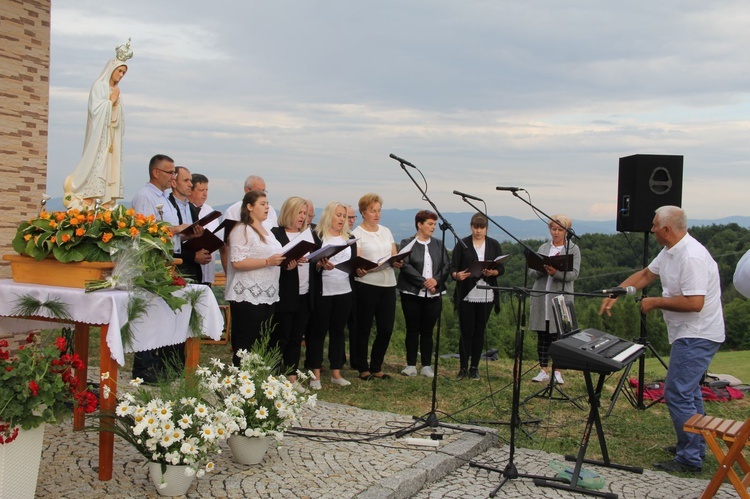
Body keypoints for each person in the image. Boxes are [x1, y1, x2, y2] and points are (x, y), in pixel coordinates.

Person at [600, 206, 725, 474]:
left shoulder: (691, 256)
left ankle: (689, 458)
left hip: (698, 334)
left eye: (655, 225)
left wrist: (654, 302)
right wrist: (618, 291)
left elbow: (695, 303)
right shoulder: (670, 251)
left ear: (667, 229)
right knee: (689, 391)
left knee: (677, 392)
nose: (652, 228)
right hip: (688, 333)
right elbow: (646, 275)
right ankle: (695, 444)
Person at [130, 154, 195, 382]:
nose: (173, 177)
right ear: (156, 172)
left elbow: (166, 229)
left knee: (160, 315)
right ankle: (144, 368)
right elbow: (144, 231)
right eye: (170, 172)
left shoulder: (166, 199)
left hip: (167, 260)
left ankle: (157, 365)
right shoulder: (145, 196)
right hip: (150, 262)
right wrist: (176, 230)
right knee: (148, 315)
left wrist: (183, 233)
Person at [63, 39, 132, 210]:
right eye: (119, 71)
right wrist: (110, 103)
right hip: (99, 138)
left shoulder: (116, 90)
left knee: (110, 166)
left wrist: (115, 105)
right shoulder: (99, 86)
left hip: (111, 139)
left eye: (124, 72)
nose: (121, 75)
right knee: (97, 164)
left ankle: (106, 200)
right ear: (112, 69)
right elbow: (95, 110)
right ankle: (89, 197)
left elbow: (117, 119)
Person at [224, 190, 287, 367]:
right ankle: (240, 376)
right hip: (248, 293)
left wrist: (287, 260)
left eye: (267, 203)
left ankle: (257, 376)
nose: (267, 207)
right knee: (246, 340)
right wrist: (267, 261)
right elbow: (237, 262)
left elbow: (276, 255)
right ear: (250, 207)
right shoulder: (241, 229)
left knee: (262, 338)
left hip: (268, 292)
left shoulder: (267, 231)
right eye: (262, 203)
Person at [352, 193, 402, 381]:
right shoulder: (357, 234)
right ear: (363, 212)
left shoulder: (386, 231)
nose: (377, 214)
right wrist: (361, 269)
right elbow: (356, 261)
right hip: (367, 285)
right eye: (373, 211)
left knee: (386, 328)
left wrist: (397, 262)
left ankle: (376, 365)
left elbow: (394, 254)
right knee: (364, 327)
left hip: (388, 284)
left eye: (379, 210)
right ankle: (363, 367)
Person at [307, 202, 356, 389]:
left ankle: (336, 372)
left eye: (344, 216)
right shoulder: (317, 236)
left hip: (344, 290)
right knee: (317, 332)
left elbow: (351, 263)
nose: (342, 219)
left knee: (338, 332)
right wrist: (319, 265)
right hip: (323, 291)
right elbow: (310, 263)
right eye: (338, 215)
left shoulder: (349, 237)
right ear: (329, 215)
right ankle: (315, 375)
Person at [528, 215, 581, 385]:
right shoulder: (543, 247)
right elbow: (532, 272)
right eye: (553, 229)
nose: (556, 233)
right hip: (541, 297)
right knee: (542, 334)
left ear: (566, 231)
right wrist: (543, 269)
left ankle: (558, 371)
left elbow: (574, 274)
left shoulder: (573, 249)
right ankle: (543, 369)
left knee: (558, 334)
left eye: (560, 229)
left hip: (560, 296)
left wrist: (555, 273)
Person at [397, 210, 450, 378]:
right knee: (412, 329)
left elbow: (446, 265)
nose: (433, 227)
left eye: (434, 224)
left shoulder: (438, 244)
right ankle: (411, 364)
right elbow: (405, 266)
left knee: (428, 331)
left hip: (434, 294)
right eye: (430, 224)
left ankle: (427, 365)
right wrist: (423, 282)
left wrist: (436, 281)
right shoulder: (407, 243)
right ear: (419, 224)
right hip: (412, 293)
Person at [451, 213, 504, 380]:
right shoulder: (462, 244)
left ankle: (475, 367)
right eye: (476, 227)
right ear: (471, 227)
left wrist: (493, 271)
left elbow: (501, 269)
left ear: (487, 228)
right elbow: (453, 268)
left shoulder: (494, 244)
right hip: (467, 292)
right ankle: (463, 367)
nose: (479, 231)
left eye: (482, 227)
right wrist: (457, 275)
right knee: (466, 330)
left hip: (487, 292)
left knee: (479, 331)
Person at [270, 197, 317, 383]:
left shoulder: (308, 234)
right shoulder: (275, 234)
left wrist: (320, 261)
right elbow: (271, 261)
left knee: (297, 337)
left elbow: (314, 257)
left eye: (305, 213)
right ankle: (273, 374)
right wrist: (286, 265)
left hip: (305, 292)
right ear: (289, 212)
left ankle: (291, 376)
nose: (303, 217)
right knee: (281, 336)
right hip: (284, 293)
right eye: (300, 212)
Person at [220, 175, 277, 272]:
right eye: (259, 190)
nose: (262, 193)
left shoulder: (270, 210)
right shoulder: (233, 211)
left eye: (264, 191)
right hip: (247, 269)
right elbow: (225, 246)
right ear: (247, 190)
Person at [168, 166, 212, 284]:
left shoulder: (192, 208)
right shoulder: (168, 205)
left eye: (190, 181)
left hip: (193, 268)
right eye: (186, 181)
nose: (190, 185)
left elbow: (188, 238)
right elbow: (169, 242)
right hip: (174, 267)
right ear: (174, 183)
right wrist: (193, 256)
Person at [188, 173, 220, 285]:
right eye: (201, 190)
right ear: (191, 190)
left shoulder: (209, 210)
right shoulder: (185, 209)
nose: (205, 194)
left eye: (207, 190)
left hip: (208, 268)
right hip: (190, 267)